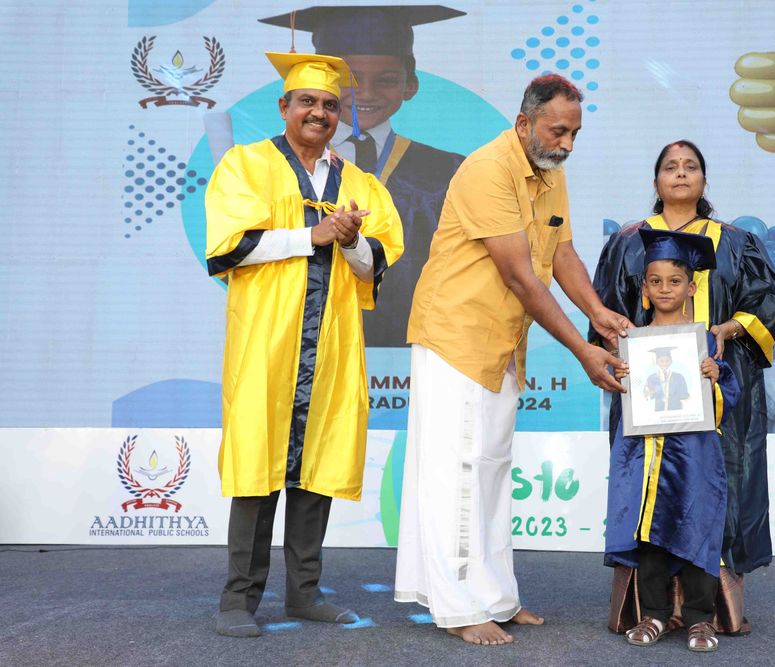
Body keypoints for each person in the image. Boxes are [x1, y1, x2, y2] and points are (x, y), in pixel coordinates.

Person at [394, 74, 630, 646]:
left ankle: (496, 596)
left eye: (574, 133)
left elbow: (562, 250)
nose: (567, 143)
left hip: (500, 340)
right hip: (455, 336)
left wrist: (598, 312)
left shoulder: (549, 171)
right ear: (524, 123)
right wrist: (582, 349)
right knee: (458, 473)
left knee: (492, 470)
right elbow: (522, 276)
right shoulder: (487, 170)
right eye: (557, 131)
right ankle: (458, 608)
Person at [204, 50, 404, 638]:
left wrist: (349, 239)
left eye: (330, 105)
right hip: (267, 340)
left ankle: (305, 593)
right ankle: (238, 598)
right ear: (284, 106)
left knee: (317, 465)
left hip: (331, 342)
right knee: (257, 465)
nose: (319, 112)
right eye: (308, 102)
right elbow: (230, 248)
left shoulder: (360, 183)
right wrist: (312, 233)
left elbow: (375, 265)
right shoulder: (246, 164)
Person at [592, 140, 775, 634]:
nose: (680, 173)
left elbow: (770, 305)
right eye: (670, 166)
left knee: (715, 484)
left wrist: (729, 329)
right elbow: (605, 312)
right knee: (647, 487)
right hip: (646, 393)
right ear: (656, 180)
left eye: (691, 166)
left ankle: (707, 611)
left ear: (703, 179)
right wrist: (622, 352)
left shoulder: (736, 242)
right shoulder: (627, 242)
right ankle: (651, 608)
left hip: (716, 385)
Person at [260, 5, 466, 347]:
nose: (366, 93)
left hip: (416, 340)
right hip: (302, 335)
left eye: (386, 80)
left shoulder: (448, 169)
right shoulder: (273, 166)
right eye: (349, 79)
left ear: (410, 85)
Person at [607, 227, 740, 652]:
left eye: (675, 281)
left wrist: (714, 379)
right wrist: (621, 375)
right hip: (645, 453)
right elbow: (622, 395)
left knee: (698, 525)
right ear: (644, 290)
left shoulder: (704, 342)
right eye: (656, 281)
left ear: (691, 287)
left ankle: (700, 619)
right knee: (649, 531)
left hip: (695, 452)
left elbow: (728, 397)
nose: (665, 288)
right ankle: (654, 614)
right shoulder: (632, 343)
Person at [644, 347, 689, 412]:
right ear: (657, 362)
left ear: (671, 361)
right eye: (661, 361)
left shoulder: (679, 377)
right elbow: (648, 396)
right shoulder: (652, 378)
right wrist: (650, 393)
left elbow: (684, 396)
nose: (664, 363)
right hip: (659, 412)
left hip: (676, 411)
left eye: (667, 360)